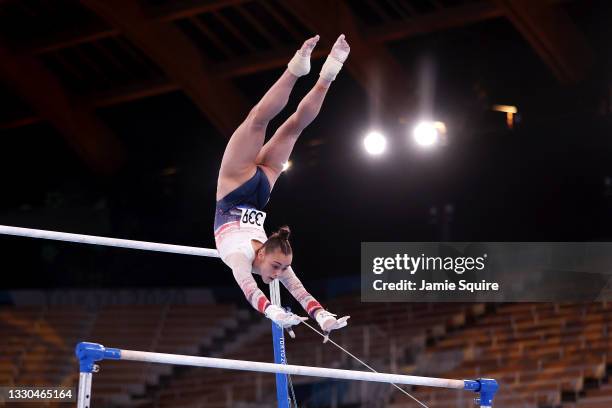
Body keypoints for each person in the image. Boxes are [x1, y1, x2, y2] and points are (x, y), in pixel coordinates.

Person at [214, 34, 351, 336]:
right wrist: (322, 315)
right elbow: (302, 293)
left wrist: (278, 311)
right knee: (292, 128)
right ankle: (328, 73)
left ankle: (302, 69)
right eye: (280, 268)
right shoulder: (269, 259)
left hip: (236, 184)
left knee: (258, 121)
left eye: (278, 268)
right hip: (258, 191)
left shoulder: (238, 258)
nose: (279, 274)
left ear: (260, 255)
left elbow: (249, 289)